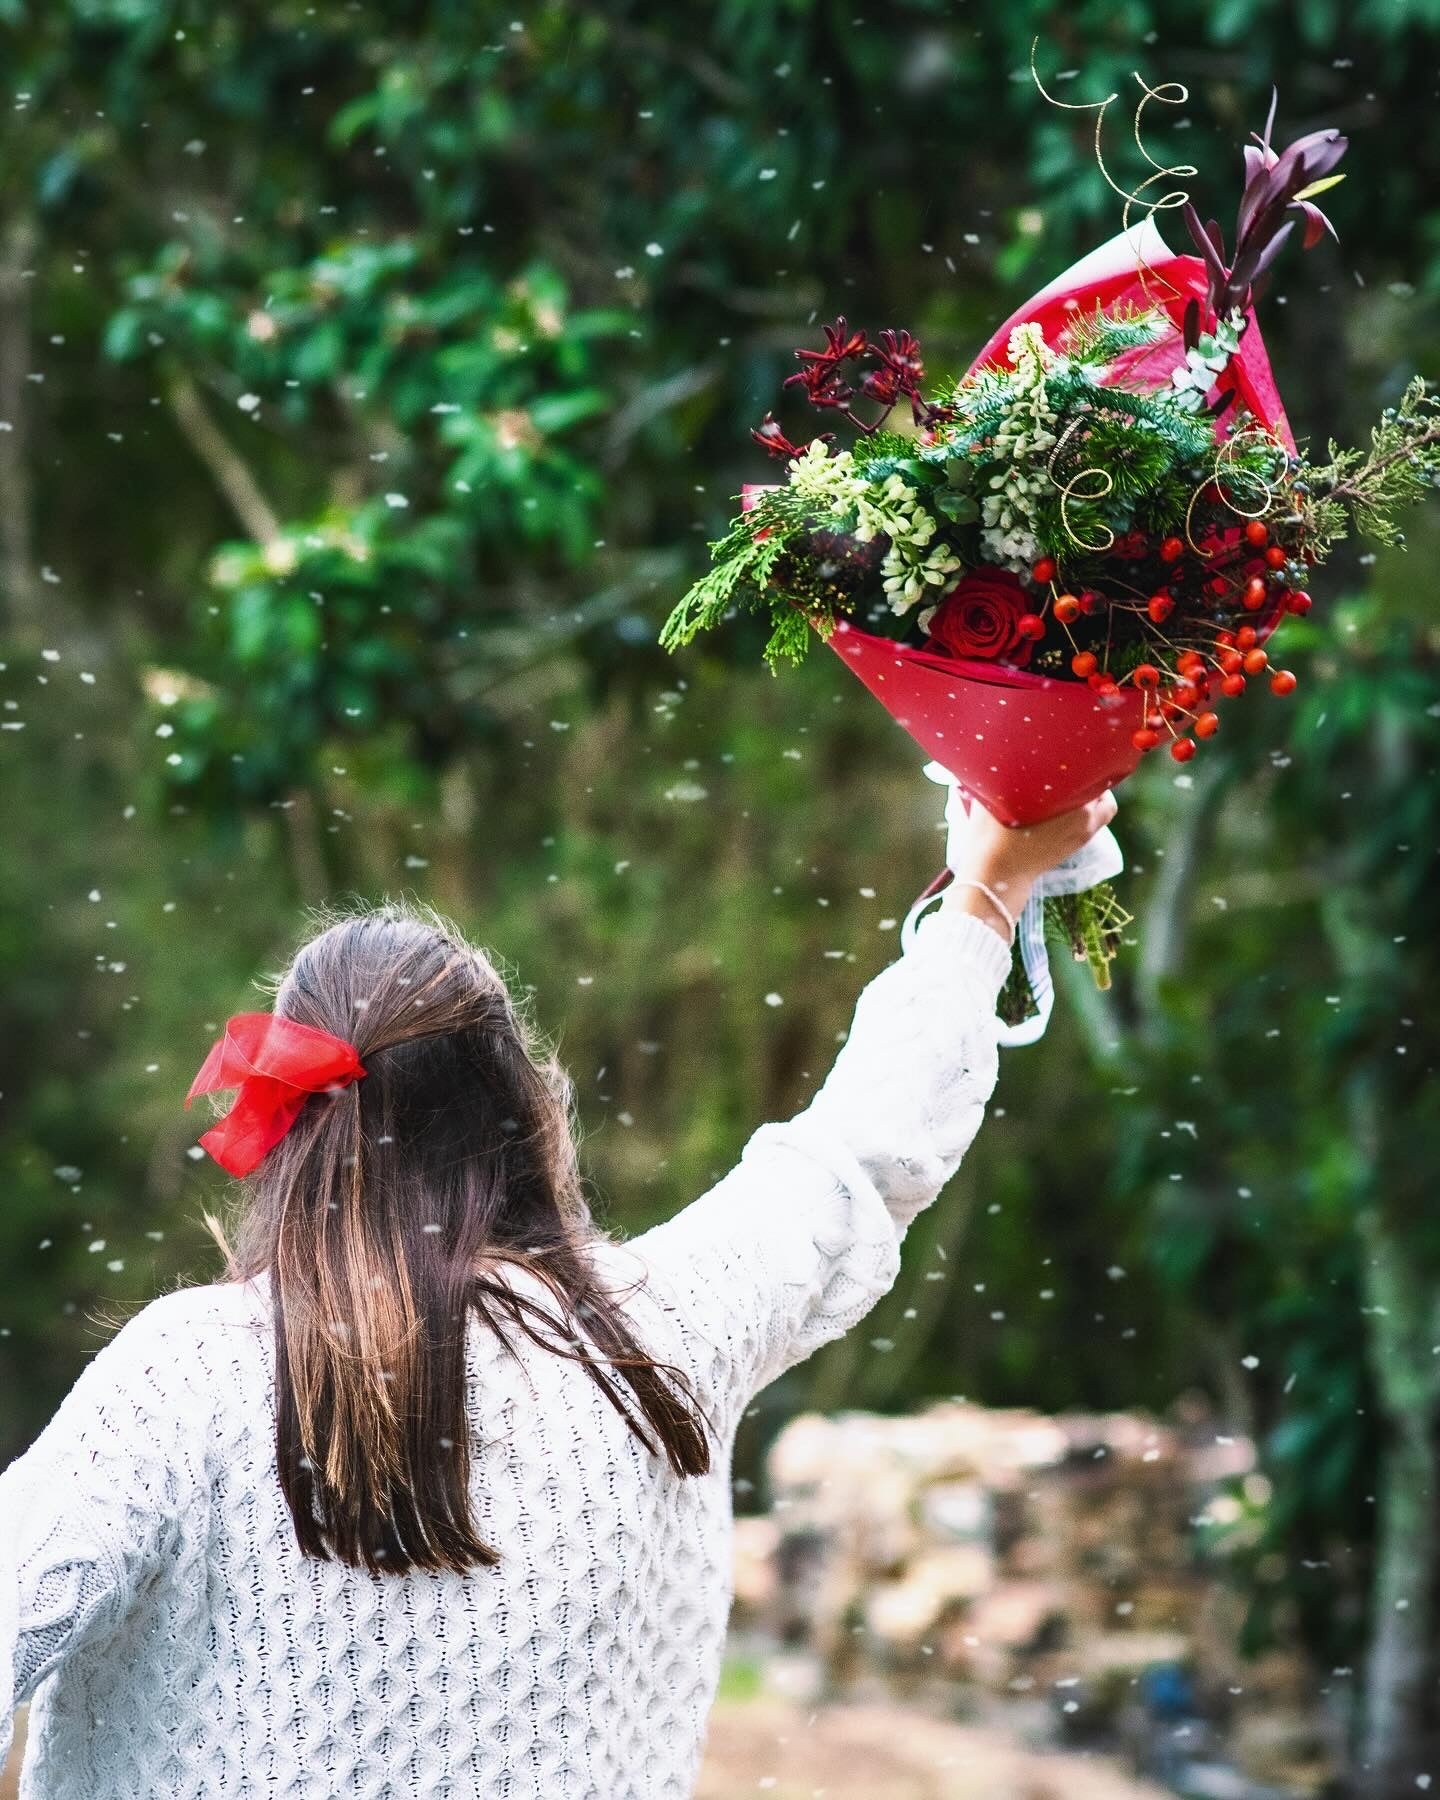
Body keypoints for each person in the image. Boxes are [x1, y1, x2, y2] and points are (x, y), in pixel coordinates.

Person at [0, 783, 1117, 1799]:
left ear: (292, 1131)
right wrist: (991, 885)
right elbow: (862, 1154)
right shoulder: (662, 1326)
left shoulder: (183, 1374)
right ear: (518, 1104)